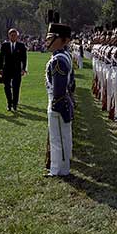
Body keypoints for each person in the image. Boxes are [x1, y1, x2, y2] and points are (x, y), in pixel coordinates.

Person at [45, 23, 74, 177]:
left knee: (58, 139)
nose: (46, 40)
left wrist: (57, 106)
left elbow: (60, 88)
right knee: (61, 137)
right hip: (61, 100)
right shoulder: (62, 56)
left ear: (61, 40)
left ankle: (60, 169)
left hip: (58, 102)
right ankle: (60, 166)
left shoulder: (58, 60)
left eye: (51, 37)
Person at [0, 28, 27, 111]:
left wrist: (23, 69)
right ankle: (9, 103)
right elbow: (1, 58)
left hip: (17, 70)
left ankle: (15, 104)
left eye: (14, 35)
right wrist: (0, 69)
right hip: (6, 70)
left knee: (16, 87)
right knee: (6, 87)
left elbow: (24, 59)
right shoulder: (4, 45)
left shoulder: (21, 46)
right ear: (9, 36)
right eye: (11, 35)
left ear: (17, 36)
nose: (13, 36)